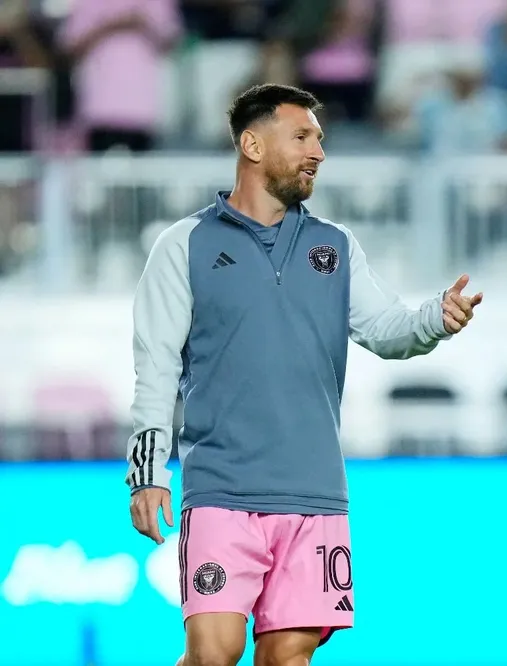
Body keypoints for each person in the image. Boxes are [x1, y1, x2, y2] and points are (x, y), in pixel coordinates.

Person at [125, 84, 483, 666]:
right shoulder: (182, 246)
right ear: (252, 144)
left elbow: (386, 329)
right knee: (212, 654)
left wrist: (433, 319)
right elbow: (155, 368)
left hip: (315, 497)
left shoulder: (335, 247)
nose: (318, 150)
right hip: (221, 493)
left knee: (288, 659)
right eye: (302, 136)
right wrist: (146, 475)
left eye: (319, 138)